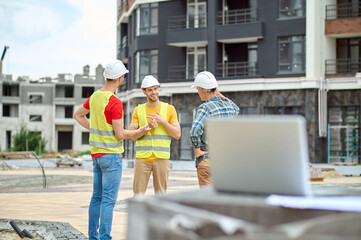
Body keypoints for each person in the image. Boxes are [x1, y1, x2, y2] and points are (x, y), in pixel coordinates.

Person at [73, 60, 151, 240]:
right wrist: (139, 131)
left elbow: (78, 115)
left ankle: (93, 237)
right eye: (124, 76)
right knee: (108, 200)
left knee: (96, 198)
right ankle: (105, 238)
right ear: (120, 78)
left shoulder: (94, 97)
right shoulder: (114, 102)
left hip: (96, 155)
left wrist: (94, 129)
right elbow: (120, 134)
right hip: (111, 156)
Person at [129, 75, 181, 195]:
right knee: (138, 196)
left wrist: (163, 121)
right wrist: (147, 128)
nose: (154, 92)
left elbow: (177, 134)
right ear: (144, 92)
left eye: (155, 89)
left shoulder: (169, 109)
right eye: (150, 90)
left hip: (161, 158)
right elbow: (131, 136)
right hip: (142, 159)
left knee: (161, 195)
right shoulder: (138, 110)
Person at [190, 71, 240, 187]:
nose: (198, 93)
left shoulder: (205, 108)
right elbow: (237, 108)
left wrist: (197, 150)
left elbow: (194, 130)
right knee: (224, 199)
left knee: (208, 201)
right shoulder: (230, 108)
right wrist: (218, 93)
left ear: (202, 90)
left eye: (198, 90)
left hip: (208, 161)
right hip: (226, 162)